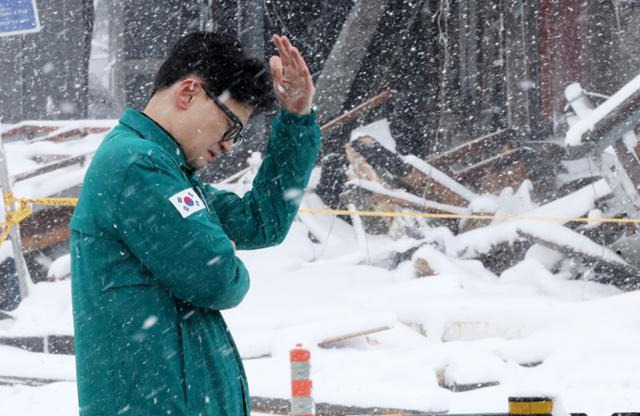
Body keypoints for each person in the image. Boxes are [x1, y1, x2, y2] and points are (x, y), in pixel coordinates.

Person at [69, 32, 320, 416]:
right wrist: (227, 261)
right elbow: (216, 276)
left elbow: (260, 221)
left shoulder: (168, 172)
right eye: (231, 126)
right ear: (188, 92)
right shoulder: (137, 166)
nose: (230, 145)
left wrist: (296, 118)